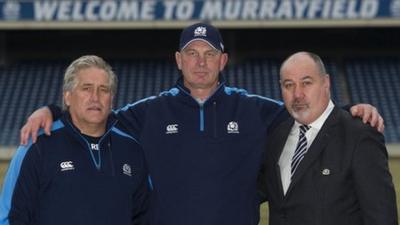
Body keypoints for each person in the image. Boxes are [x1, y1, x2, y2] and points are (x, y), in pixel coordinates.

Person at [19, 23, 384, 225]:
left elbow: (305, 107)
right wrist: (51, 109)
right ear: (178, 60)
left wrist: (352, 109)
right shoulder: (149, 112)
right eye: (192, 54)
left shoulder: (254, 109)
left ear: (223, 60)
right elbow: (92, 114)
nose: (200, 62)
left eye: (209, 54)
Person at [0, 55, 148, 225]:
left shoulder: (131, 149)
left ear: (111, 100)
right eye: (86, 88)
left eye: (104, 89)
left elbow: (144, 216)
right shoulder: (37, 145)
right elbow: (11, 217)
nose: (95, 97)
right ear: (67, 97)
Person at [258, 52, 397, 225]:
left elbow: (381, 217)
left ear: (326, 83)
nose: (297, 94)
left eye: (306, 83)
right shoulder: (276, 136)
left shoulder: (359, 135)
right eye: (289, 85)